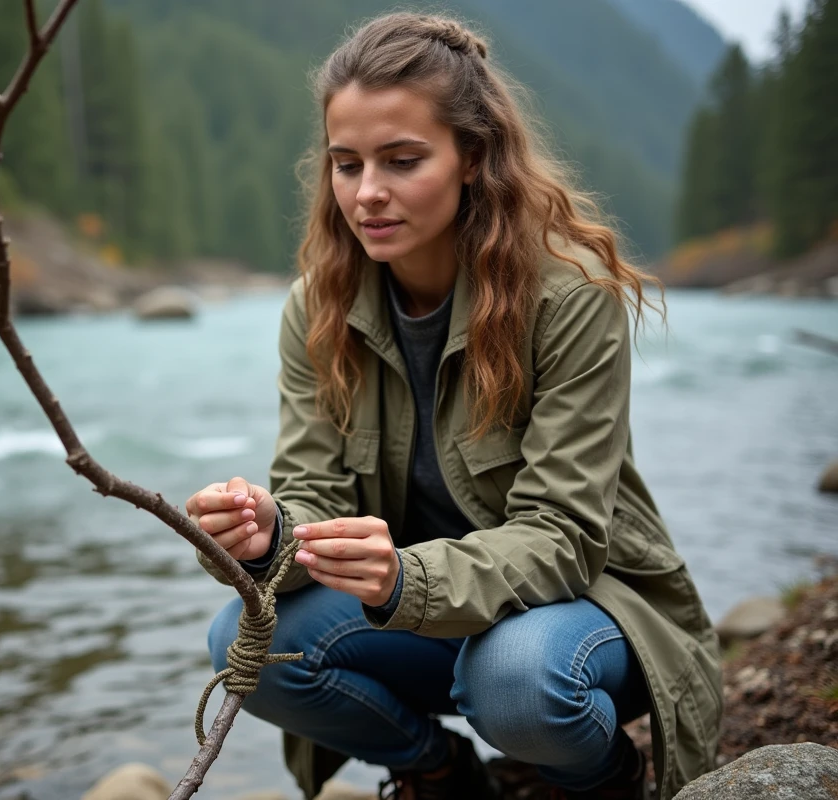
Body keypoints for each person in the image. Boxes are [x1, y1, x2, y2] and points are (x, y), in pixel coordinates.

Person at [185, 12, 721, 800]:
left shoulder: (568, 297)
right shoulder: (319, 306)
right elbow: (315, 498)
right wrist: (268, 538)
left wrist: (406, 577)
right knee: (246, 642)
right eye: (346, 163)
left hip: (583, 616)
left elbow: (563, 538)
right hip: (419, 611)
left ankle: (603, 780)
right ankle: (437, 773)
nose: (366, 193)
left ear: (473, 156)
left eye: (402, 161)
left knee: (514, 677)